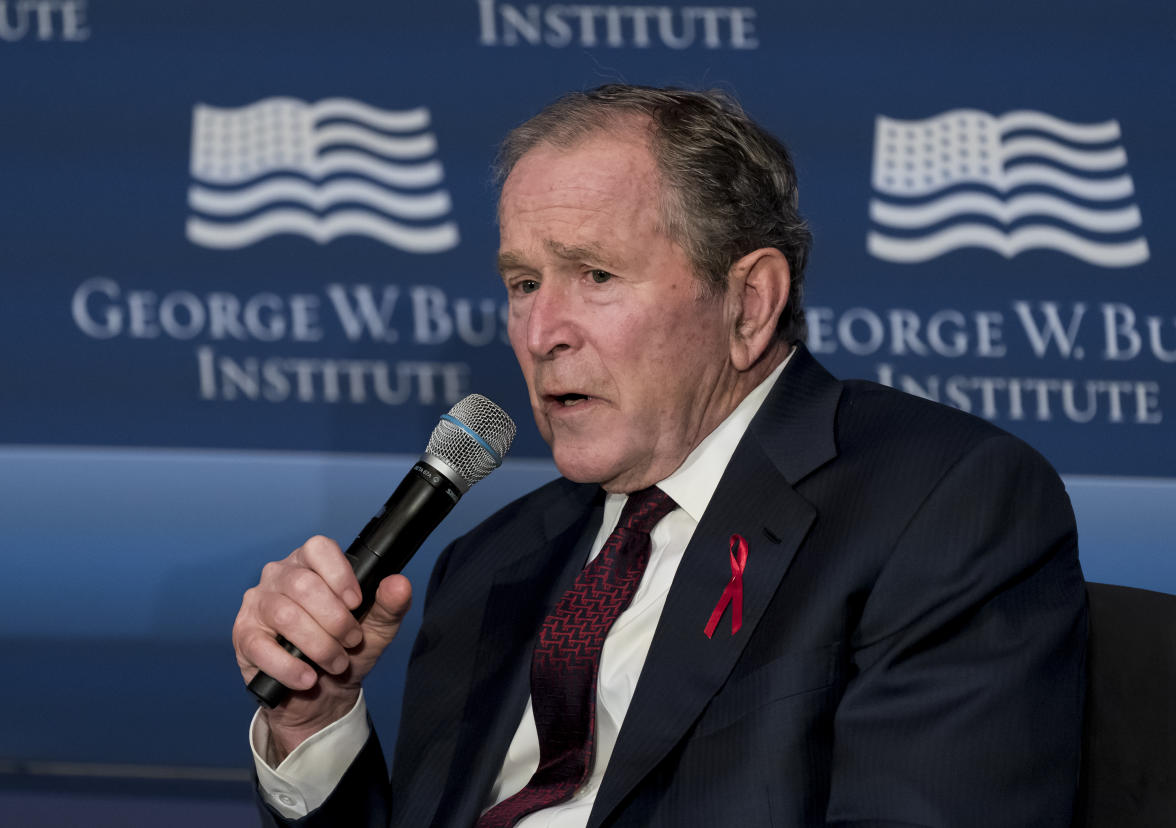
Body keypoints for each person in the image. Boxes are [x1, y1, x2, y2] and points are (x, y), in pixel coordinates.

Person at [233, 84, 1087, 828]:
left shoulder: (940, 504)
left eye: (595, 275)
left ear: (749, 304)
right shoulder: (488, 565)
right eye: (523, 283)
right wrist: (317, 723)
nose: (540, 333)